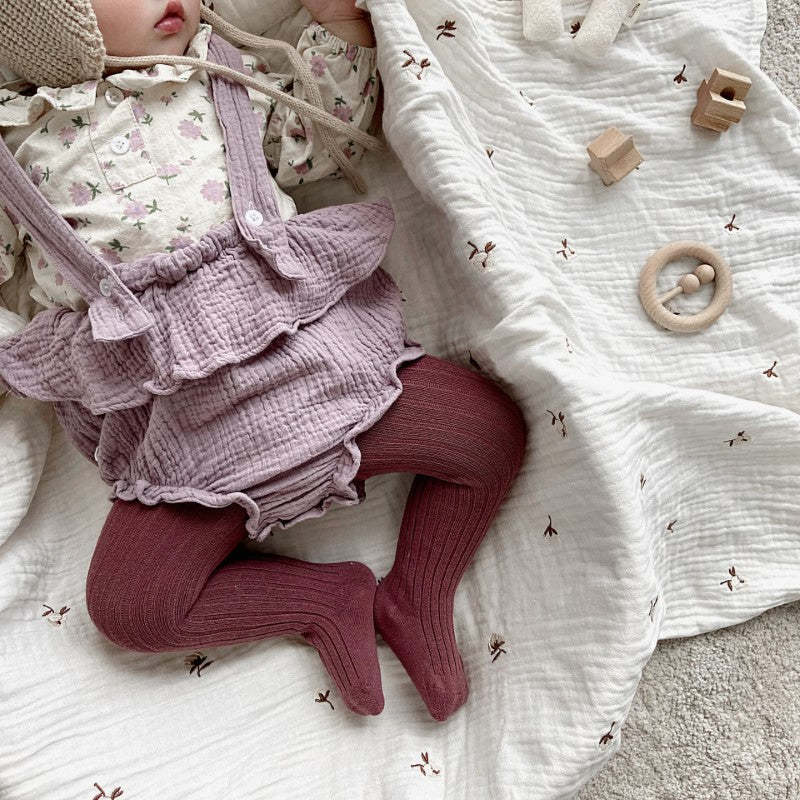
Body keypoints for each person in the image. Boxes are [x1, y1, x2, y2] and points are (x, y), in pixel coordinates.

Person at [0, 0, 528, 722]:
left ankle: (417, 592)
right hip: (189, 452)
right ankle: (323, 599)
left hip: (327, 378)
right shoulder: (15, 149)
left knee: (488, 428)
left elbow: (323, 134)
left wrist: (340, 26)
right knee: (130, 609)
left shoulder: (223, 76)